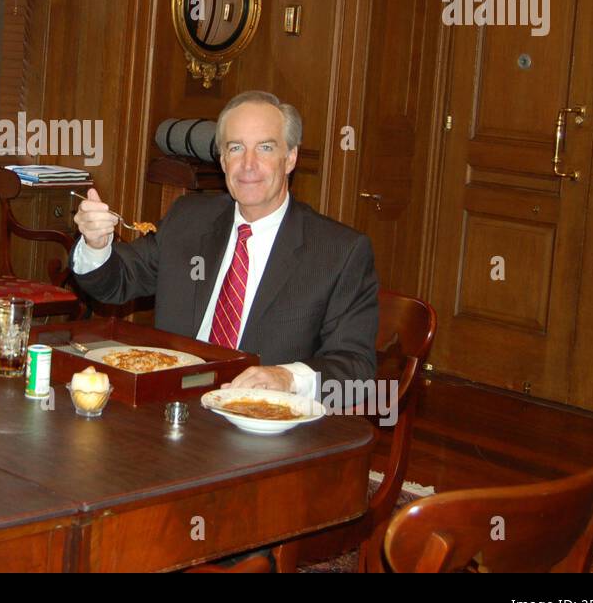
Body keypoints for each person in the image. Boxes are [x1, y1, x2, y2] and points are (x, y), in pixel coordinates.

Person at [72, 90, 377, 395]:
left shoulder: (339, 252)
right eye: (235, 148)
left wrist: (287, 378)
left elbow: (357, 369)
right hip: (170, 404)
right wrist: (96, 244)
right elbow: (117, 283)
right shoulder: (188, 220)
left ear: (291, 158)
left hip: (260, 421)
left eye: (266, 148)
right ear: (222, 159)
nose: (248, 164)